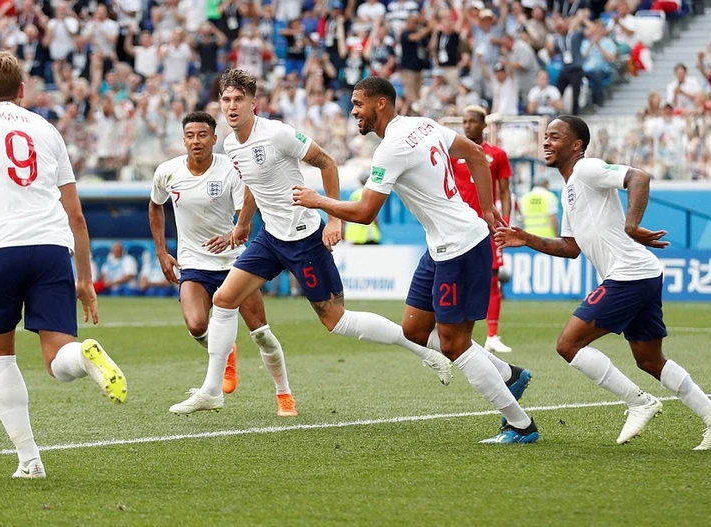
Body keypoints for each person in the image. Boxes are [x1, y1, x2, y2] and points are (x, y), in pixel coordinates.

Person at [171, 69, 453, 416]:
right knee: (224, 300)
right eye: (226, 100)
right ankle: (212, 391)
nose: (231, 106)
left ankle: (425, 351)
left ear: (253, 103)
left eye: (238, 99)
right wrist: (242, 225)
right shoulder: (230, 145)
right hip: (271, 238)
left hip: (304, 237)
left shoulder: (277, 134)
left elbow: (327, 163)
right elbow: (253, 185)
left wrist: (334, 219)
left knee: (336, 321)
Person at [293, 76, 538, 444]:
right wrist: (487, 209)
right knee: (414, 330)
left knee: (454, 344)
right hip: (441, 244)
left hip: (459, 246)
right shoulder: (423, 124)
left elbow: (365, 213)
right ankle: (508, 375)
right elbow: (476, 153)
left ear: (380, 103)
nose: (353, 111)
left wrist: (318, 201)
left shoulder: (391, 148)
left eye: (358, 104)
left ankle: (520, 425)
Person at [0, 51, 127, 479]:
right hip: (51, 248)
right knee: (58, 357)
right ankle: (82, 356)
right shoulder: (48, 130)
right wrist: (85, 279)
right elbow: (76, 216)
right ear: (21, 90)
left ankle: (30, 460)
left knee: (0, 356)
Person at [495, 115, 711, 449]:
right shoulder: (569, 189)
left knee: (568, 345)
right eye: (545, 136)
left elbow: (638, 177)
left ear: (576, 145)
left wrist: (631, 225)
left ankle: (639, 401)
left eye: (555, 136)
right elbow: (571, 248)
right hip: (641, 273)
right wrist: (527, 238)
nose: (546, 142)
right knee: (650, 360)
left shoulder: (586, 168)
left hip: (629, 275)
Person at [149, 111, 297, 417]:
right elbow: (155, 205)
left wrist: (233, 235)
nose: (196, 141)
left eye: (203, 135)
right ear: (183, 140)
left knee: (261, 333)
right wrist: (161, 252)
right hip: (193, 263)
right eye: (190, 135)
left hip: (234, 264)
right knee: (196, 326)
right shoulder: (167, 171)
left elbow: (246, 212)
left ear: (214, 139)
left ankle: (284, 394)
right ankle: (226, 352)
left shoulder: (230, 169)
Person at [449, 105, 514, 353]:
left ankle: (492, 335)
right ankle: (455, 333)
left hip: (488, 226)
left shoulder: (497, 154)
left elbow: (505, 191)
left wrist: (504, 221)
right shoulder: (453, 155)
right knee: (456, 278)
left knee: (492, 278)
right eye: (465, 121)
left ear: (484, 125)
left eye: (472, 121)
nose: (467, 126)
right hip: (459, 226)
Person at [344, 174, 381, 245]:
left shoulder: (354, 194)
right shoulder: (370, 193)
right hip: (368, 234)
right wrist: (378, 226)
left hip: (355, 234)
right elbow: (373, 212)